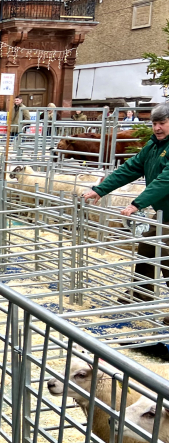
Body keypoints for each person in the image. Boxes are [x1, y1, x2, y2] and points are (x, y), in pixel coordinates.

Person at [82, 103, 169, 318]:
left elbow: (165, 180)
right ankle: (141, 293)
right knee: (149, 245)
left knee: (165, 253)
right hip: (165, 214)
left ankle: (141, 294)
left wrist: (137, 203)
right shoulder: (153, 146)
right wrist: (100, 190)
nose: (157, 128)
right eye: (154, 123)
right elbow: (130, 168)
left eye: (162, 123)